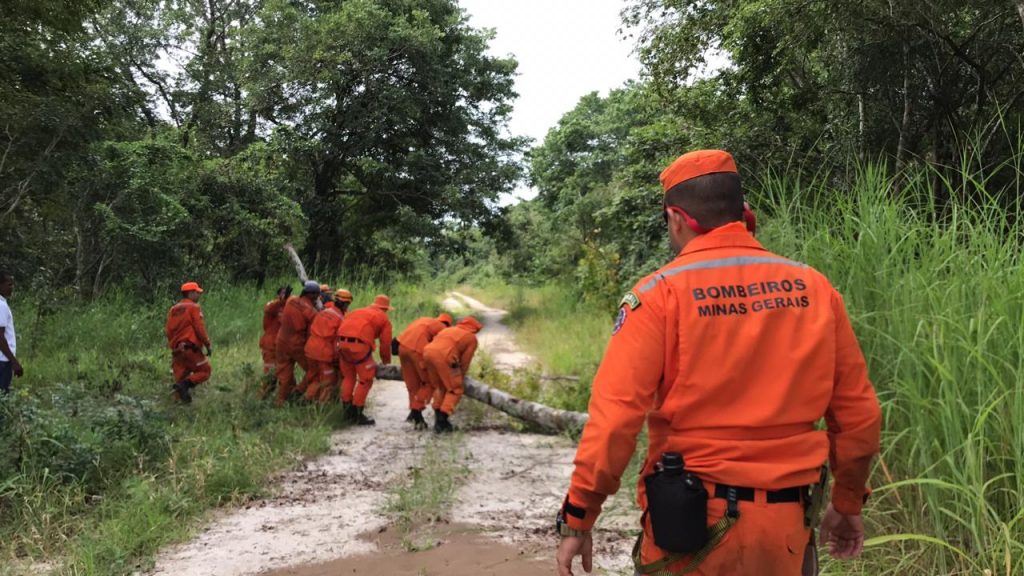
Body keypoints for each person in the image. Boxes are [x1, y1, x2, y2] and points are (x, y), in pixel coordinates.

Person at [555, 150, 882, 576]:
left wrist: (579, 515)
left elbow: (615, 420)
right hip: (786, 530)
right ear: (743, 213)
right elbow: (859, 415)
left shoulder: (658, 296)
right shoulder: (814, 288)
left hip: (691, 528)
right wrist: (848, 501)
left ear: (676, 218)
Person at [336, 294, 394, 425]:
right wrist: (386, 362)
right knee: (365, 380)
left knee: (348, 377)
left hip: (341, 344)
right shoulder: (384, 319)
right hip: (359, 347)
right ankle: (357, 414)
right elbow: (385, 344)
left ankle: (347, 412)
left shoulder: (357, 311)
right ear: (385, 308)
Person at [423, 316, 482, 434]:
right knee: (455, 389)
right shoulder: (471, 338)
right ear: (474, 329)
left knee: (440, 387)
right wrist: (459, 376)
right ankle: (442, 421)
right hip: (445, 357)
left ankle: (438, 420)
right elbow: (465, 361)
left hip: (427, 353)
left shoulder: (447, 330)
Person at [396, 313, 453, 428]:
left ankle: (414, 413)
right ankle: (416, 410)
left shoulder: (423, 319)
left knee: (412, 383)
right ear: (447, 324)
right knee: (429, 383)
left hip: (402, 348)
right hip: (417, 350)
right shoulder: (443, 329)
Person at [274, 281, 320, 406]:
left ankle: (280, 403)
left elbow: (284, 302)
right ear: (314, 296)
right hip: (297, 345)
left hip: (281, 341)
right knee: (314, 371)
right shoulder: (312, 313)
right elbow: (311, 335)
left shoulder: (291, 300)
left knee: (284, 375)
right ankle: (298, 392)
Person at [165, 281, 212, 404]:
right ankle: (185, 385)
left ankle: (178, 409)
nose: (199, 295)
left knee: (179, 382)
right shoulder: (193, 307)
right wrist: (207, 344)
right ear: (190, 293)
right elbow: (199, 327)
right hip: (190, 349)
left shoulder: (173, 309)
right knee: (205, 371)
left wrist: (174, 347)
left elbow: (168, 331)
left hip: (177, 351)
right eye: (197, 292)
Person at [303, 289, 353, 403]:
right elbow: (336, 343)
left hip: (310, 349)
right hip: (323, 353)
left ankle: (306, 401)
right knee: (328, 381)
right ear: (344, 303)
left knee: (314, 379)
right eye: (348, 304)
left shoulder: (323, 312)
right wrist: (338, 359)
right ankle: (322, 408)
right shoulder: (340, 319)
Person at [258, 285, 291, 399]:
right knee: (270, 376)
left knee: (285, 375)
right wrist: (282, 301)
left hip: (282, 346)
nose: (284, 295)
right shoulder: (272, 305)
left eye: (286, 293)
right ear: (278, 295)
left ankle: (284, 400)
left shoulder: (288, 307)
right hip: (270, 345)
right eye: (282, 293)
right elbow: (268, 308)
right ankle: (260, 400)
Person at [0, 271, 23, 394]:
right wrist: (14, 362)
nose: (11, 288)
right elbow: (0, 337)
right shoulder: (1, 306)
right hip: (2, 361)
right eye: (9, 285)